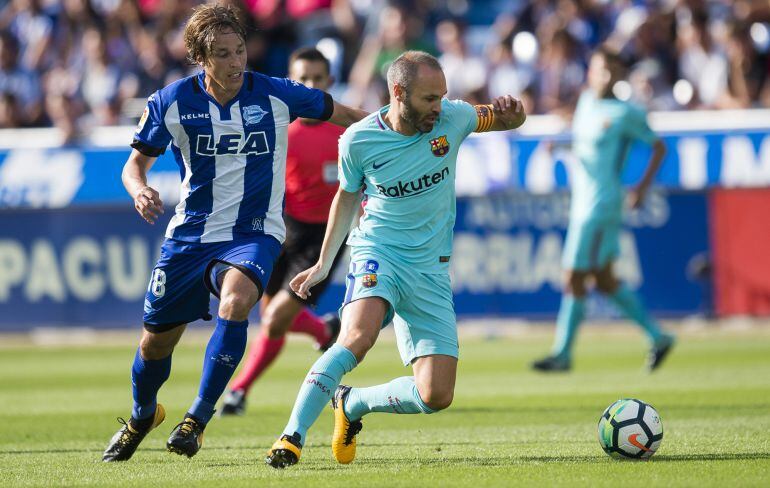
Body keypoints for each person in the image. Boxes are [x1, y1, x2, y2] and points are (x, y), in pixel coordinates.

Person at [102, 4, 366, 462]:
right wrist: (140, 190)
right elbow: (134, 165)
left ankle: (197, 418)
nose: (236, 62)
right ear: (200, 57)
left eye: (240, 50)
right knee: (155, 343)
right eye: (223, 54)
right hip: (189, 236)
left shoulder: (276, 93)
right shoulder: (171, 102)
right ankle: (143, 415)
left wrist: (404, 125)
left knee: (238, 300)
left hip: (255, 231)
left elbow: (347, 115)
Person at [264, 50, 527, 469]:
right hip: (377, 253)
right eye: (429, 98)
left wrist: (515, 114)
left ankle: (352, 404)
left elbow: (502, 119)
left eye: (442, 96)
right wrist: (323, 263)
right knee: (356, 339)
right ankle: (291, 435)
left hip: (431, 270)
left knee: (435, 396)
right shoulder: (358, 139)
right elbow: (346, 199)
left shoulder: (453, 119)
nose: (438, 106)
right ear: (398, 93)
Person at [219, 47, 347, 416]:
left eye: (317, 79)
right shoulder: (276, 128)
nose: (309, 86)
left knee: (275, 319)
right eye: (302, 79)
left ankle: (239, 391)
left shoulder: (344, 130)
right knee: (270, 316)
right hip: (279, 230)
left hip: (323, 237)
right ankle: (324, 333)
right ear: (290, 83)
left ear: (329, 83)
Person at [531, 47, 675, 373]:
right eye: (601, 69)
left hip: (601, 206)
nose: (606, 76)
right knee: (605, 280)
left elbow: (659, 146)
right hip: (583, 202)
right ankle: (659, 336)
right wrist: (561, 143)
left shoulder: (625, 112)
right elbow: (586, 143)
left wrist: (640, 187)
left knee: (573, 276)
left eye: (613, 71)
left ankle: (562, 354)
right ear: (590, 71)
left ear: (620, 75)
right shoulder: (585, 103)